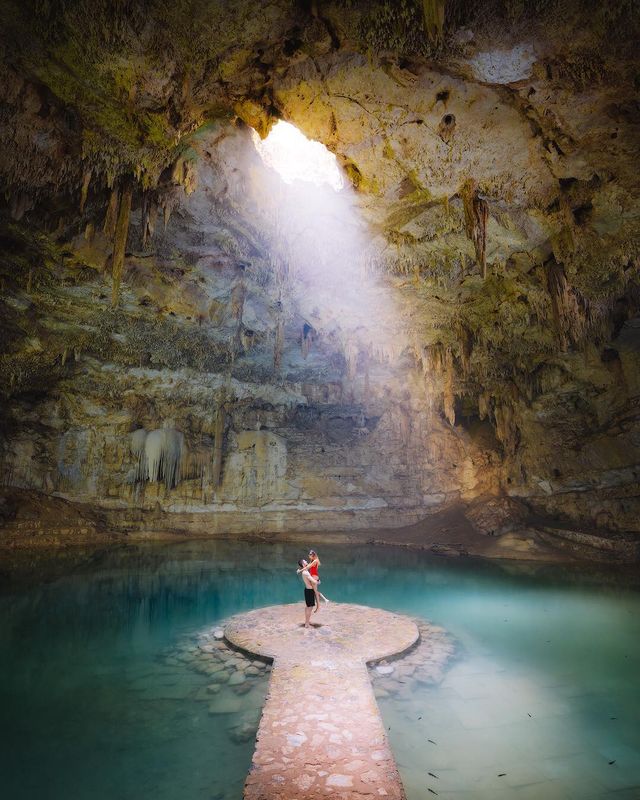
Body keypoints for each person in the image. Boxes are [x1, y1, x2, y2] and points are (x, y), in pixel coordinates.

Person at [298, 558, 318, 628]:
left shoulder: (304, 571)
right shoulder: (306, 573)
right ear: (303, 564)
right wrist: (318, 581)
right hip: (309, 591)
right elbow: (314, 581)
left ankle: (307, 621)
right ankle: (307, 623)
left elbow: (310, 564)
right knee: (310, 607)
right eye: (305, 561)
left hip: (307, 590)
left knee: (308, 607)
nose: (306, 561)